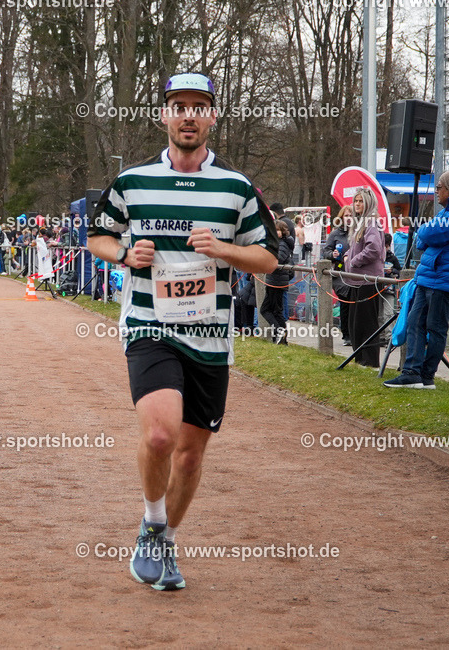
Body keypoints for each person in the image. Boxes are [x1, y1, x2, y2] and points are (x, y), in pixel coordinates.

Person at [87, 73, 279, 592]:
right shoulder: (132, 181)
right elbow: (97, 236)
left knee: (191, 454)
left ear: (213, 116)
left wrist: (224, 250)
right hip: (150, 324)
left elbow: (267, 258)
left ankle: (166, 540)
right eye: (179, 106)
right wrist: (126, 254)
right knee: (159, 434)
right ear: (164, 115)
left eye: (199, 106)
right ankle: (152, 524)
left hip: (211, 334)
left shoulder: (236, 189)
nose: (188, 115)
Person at [384, 170, 449, 389]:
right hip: (429, 277)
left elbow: (427, 235)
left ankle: (426, 376)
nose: (436, 191)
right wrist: (427, 233)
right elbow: (423, 240)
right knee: (414, 323)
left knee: (435, 328)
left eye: (439, 187)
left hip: (443, 280)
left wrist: (427, 233)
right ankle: (412, 373)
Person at [341, 188, 384, 367]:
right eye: (356, 201)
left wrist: (354, 261)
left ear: (368, 202)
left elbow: (373, 249)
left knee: (367, 324)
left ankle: (369, 361)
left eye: (361, 201)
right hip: (357, 280)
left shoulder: (372, 222)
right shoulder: (360, 223)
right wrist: (348, 255)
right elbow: (358, 246)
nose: (357, 204)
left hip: (368, 280)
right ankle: (360, 359)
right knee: (355, 324)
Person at [260, 219, 295, 343]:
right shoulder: (277, 242)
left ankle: (280, 332)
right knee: (272, 310)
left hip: (277, 281)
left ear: (283, 231)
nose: (275, 232)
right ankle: (280, 337)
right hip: (273, 280)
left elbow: (278, 259)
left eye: (278, 230)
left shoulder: (283, 243)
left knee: (270, 310)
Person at [323, 205, 353, 346]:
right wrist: (333, 255)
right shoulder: (335, 234)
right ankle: (346, 334)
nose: (349, 219)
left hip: (356, 271)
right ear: (341, 217)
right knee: (345, 302)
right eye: (346, 216)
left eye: (351, 216)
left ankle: (356, 333)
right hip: (340, 270)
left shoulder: (359, 232)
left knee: (356, 304)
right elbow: (326, 252)